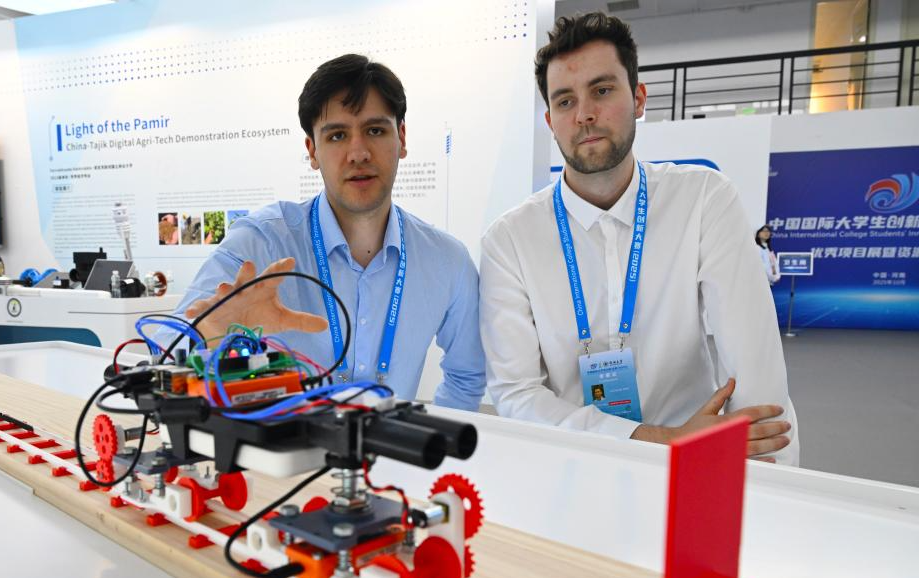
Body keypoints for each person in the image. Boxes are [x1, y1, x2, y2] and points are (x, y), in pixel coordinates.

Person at [479, 12, 798, 464]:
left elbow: (756, 376)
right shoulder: (510, 240)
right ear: (550, 121)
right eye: (566, 101)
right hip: (572, 465)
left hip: (695, 465)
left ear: (639, 98)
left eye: (602, 90)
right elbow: (516, 394)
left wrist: (759, 485)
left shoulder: (702, 199)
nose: (584, 114)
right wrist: (661, 440)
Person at [170, 54, 485, 410]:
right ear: (312, 150)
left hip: (393, 444)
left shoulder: (446, 260)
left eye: (375, 130)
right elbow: (164, 346)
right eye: (337, 135)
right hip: (283, 444)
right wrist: (207, 339)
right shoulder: (261, 243)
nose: (358, 153)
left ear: (401, 137)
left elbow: (467, 376)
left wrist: (428, 438)